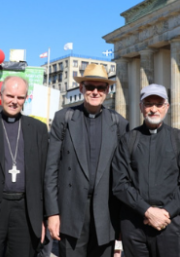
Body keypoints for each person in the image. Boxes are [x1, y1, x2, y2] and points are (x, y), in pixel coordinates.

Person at [45, 63, 129, 257]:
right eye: (90, 86)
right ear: (81, 88)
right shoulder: (63, 118)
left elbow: (124, 175)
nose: (95, 91)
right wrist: (52, 213)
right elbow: (51, 170)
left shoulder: (118, 123)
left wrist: (122, 220)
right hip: (71, 213)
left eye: (101, 87)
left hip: (105, 215)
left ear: (108, 90)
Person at [111, 84, 180, 257]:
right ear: (141, 107)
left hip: (169, 223)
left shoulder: (178, 139)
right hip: (135, 223)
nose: (153, 109)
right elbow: (119, 183)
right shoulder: (128, 140)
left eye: (159, 104)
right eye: (149, 104)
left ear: (167, 107)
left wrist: (165, 213)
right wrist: (147, 211)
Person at [0, 76, 50, 257]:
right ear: (1, 95)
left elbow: (44, 177)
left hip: (26, 212)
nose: (14, 101)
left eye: (20, 97)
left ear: (26, 98)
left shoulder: (38, 129)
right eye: (10, 96)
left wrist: (43, 219)